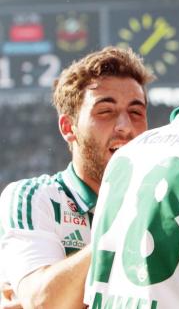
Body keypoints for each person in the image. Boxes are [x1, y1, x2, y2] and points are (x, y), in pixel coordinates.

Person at [0, 47, 153, 309]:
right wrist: (127, 224)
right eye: (105, 111)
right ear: (68, 128)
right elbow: (45, 302)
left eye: (136, 113)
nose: (125, 127)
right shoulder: (35, 197)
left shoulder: (161, 198)